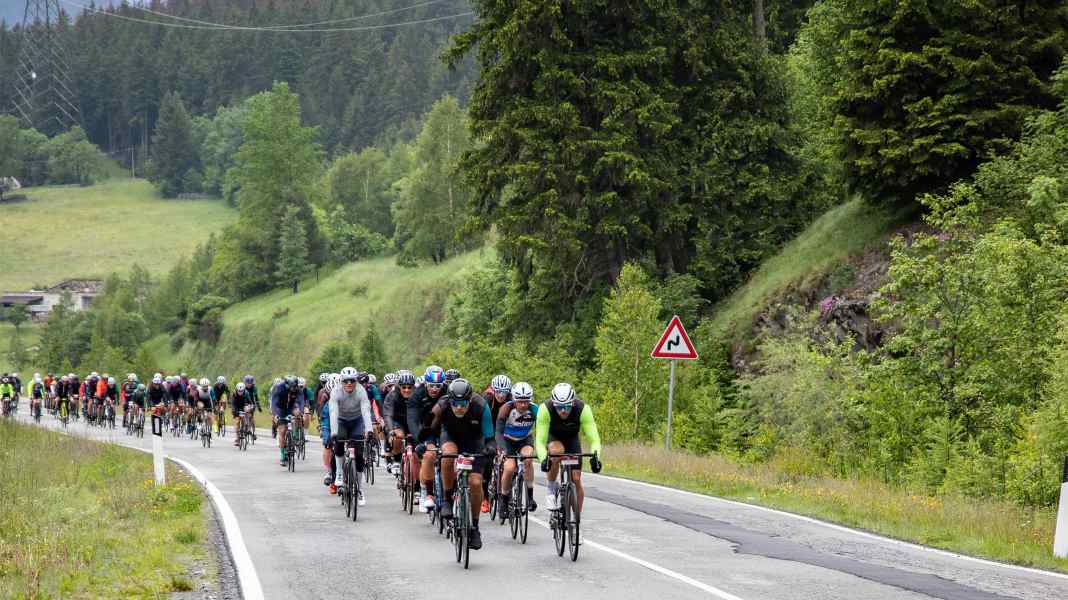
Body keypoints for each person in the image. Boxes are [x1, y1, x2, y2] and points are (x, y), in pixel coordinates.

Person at [423, 378, 495, 550]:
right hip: (450, 437)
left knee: (476, 483)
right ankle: (447, 500)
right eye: (455, 403)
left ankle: (475, 527)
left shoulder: (481, 406)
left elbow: (490, 437)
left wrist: (490, 448)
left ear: (470, 400)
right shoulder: (441, 405)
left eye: (463, 404)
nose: (459, 408)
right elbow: (427, 429)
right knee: (447, 455)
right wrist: (426, 444)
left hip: (474, 441)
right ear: (450, 400)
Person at [536, 383, 602, 515]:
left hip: (572, 439)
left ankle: (576, 519)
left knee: (576, 479)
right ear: (553, 404)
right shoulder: (545, 408)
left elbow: (594, 439)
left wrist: (596, 458)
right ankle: (551, 487)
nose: (563, 411)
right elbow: (539, 440)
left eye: (566, 406)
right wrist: (544, 459)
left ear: (573, 402)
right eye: (559, 407)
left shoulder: (583, 409)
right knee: (556, 452)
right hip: (553, 437)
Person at [328, 367, 373, 504]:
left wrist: (369, 430)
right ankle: (340, 473)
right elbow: (333, 413)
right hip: (341, 420)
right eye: (346, 381)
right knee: (339, 443)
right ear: (341, 381)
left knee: (359, 456)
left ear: (356, 381)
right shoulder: (336, 392)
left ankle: (359, 489)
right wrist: (334, 432)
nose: (349, 384)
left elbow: (365, 411)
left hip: (357, 420)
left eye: (352, 381)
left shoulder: (361, 391)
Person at [495, 381, 539, 515]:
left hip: (525, 439)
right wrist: (502, 450)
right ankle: (503, 499)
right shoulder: (506, 409)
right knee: (509, 468)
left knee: (528, 459)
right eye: (520, 401)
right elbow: (498, 432)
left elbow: (544, 428)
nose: (523, 405)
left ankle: (530, 497)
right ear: (514, 399)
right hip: (507, 440)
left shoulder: (534, 409)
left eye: (526, 401)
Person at [410, 365, 448, 512]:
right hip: (426, 429)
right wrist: (419, 439)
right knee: (429, 455)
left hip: (445, 429)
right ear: (425, 383)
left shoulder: (448, 393)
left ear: (443, 385)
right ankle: (427, 493)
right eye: (431, 385)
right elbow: (413, 419)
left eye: (437, 386)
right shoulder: (418, 395)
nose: (434, 389)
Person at [479, 374, 512, 512]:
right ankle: (485, 497)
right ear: (493, 390)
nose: (501, 395)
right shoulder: (487, 399)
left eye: (504, 392)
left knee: (510, 459)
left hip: (505, 430)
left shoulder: (511, 400)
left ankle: (508, 491)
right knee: (488, 459)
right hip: (489, 430)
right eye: (498, 391)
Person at [271, 375, 306, 466]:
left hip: (291, 407)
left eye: (295, 387)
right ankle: (283, 456)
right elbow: (274, 402)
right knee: (282, 431)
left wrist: (301, 412)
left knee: (298, 415)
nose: (294, 389)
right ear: (287, 385)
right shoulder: (279, 388)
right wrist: (275, 414)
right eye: (292, 387)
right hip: (280, 409)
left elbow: (302, 401)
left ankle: (295, 436)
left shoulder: (298, 389)